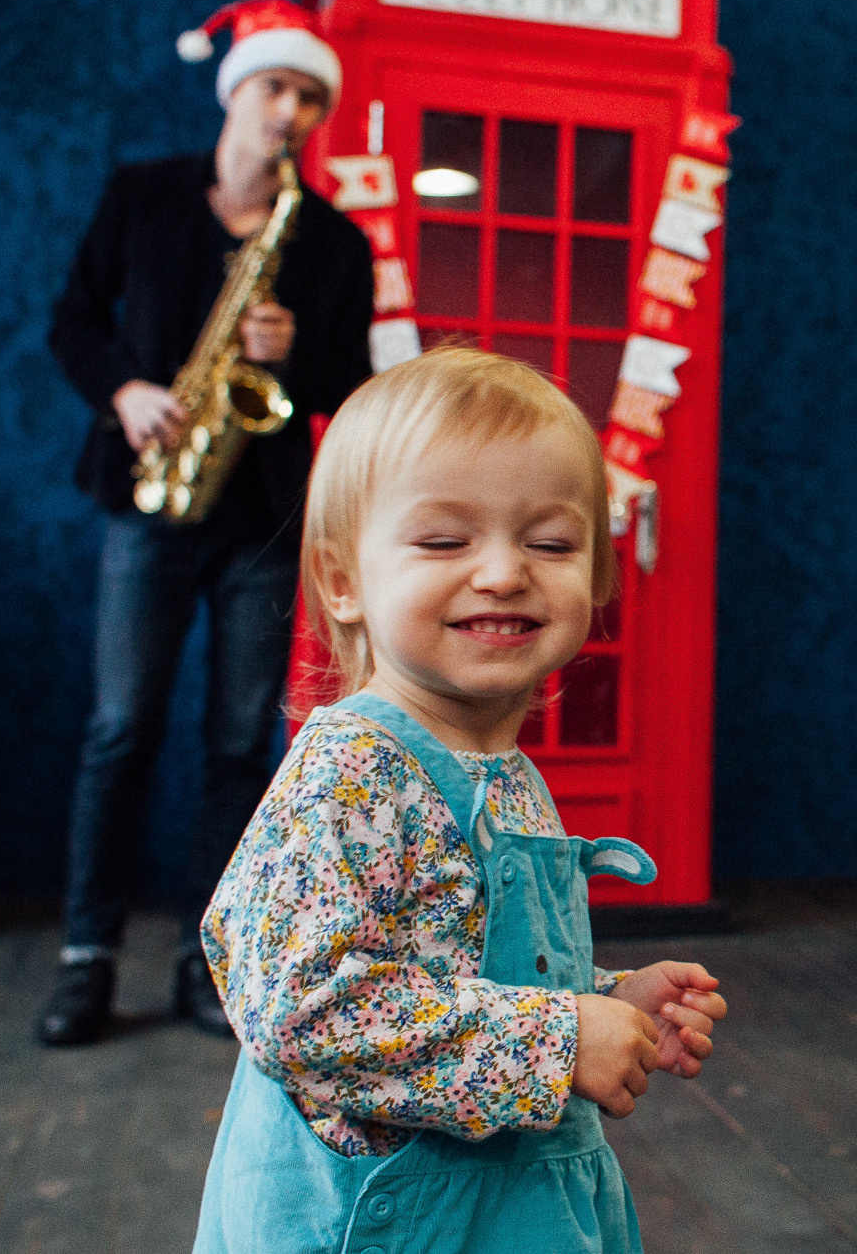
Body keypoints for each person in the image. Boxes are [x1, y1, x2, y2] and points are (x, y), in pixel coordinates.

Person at [192, 348, 727, 1252]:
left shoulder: (507, 771)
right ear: (341, 582)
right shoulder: (351, 770)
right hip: (380, 1223)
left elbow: (458, 970)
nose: (503, 572)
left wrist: (610, 1000)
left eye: (550, 542)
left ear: (596, 580)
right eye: (445, 540)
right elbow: (299, 1006)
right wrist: (560, 1040)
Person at [40, 0, 375, 1046]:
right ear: (236, 90)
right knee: (119, 730)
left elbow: (353, 381)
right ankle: (86, 958)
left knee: (238, 743)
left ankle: (209, 960)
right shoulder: (141, 198)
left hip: (262, 517)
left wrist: (293, 353)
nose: (292, 111)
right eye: (277, 87)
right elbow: (70, 323)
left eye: (310, 97)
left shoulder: (329, 240)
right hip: (150, 497)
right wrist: (127, 392)